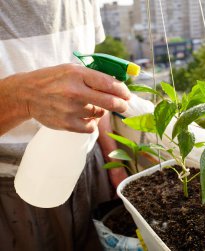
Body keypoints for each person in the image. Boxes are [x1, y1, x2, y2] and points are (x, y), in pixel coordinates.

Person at [0, 1, 129, 250]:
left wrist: (113, 165)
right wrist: (21, 98)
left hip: (90, 171)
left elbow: (90, 84)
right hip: (11, 191)